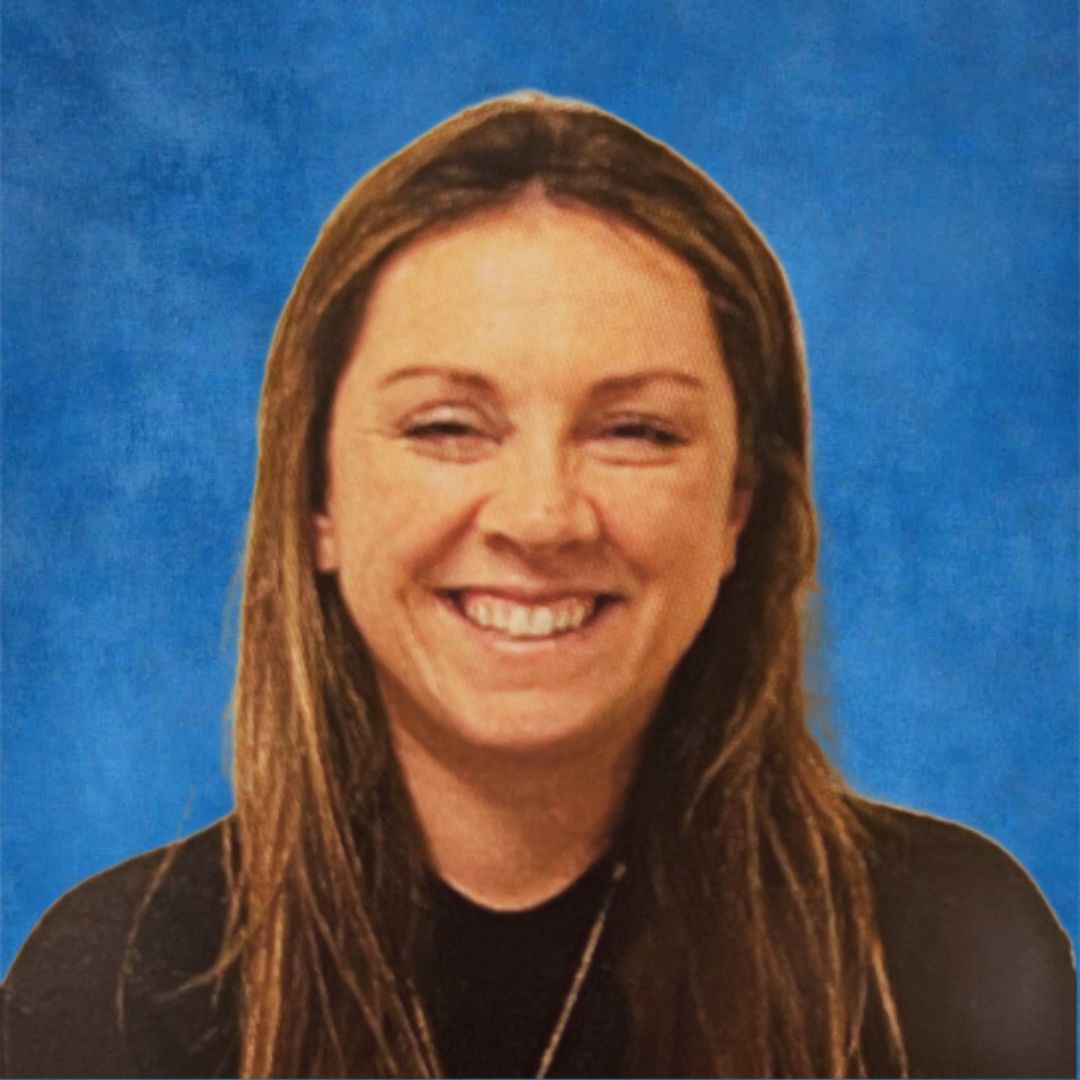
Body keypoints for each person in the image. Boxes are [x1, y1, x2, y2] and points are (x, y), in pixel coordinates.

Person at [2, 93, 1074, 1079]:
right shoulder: (115, 989)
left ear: (738, 510)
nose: (541, 516)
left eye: (635, 431)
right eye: (447, 427)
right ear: (318, 499)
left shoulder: (952, 953)